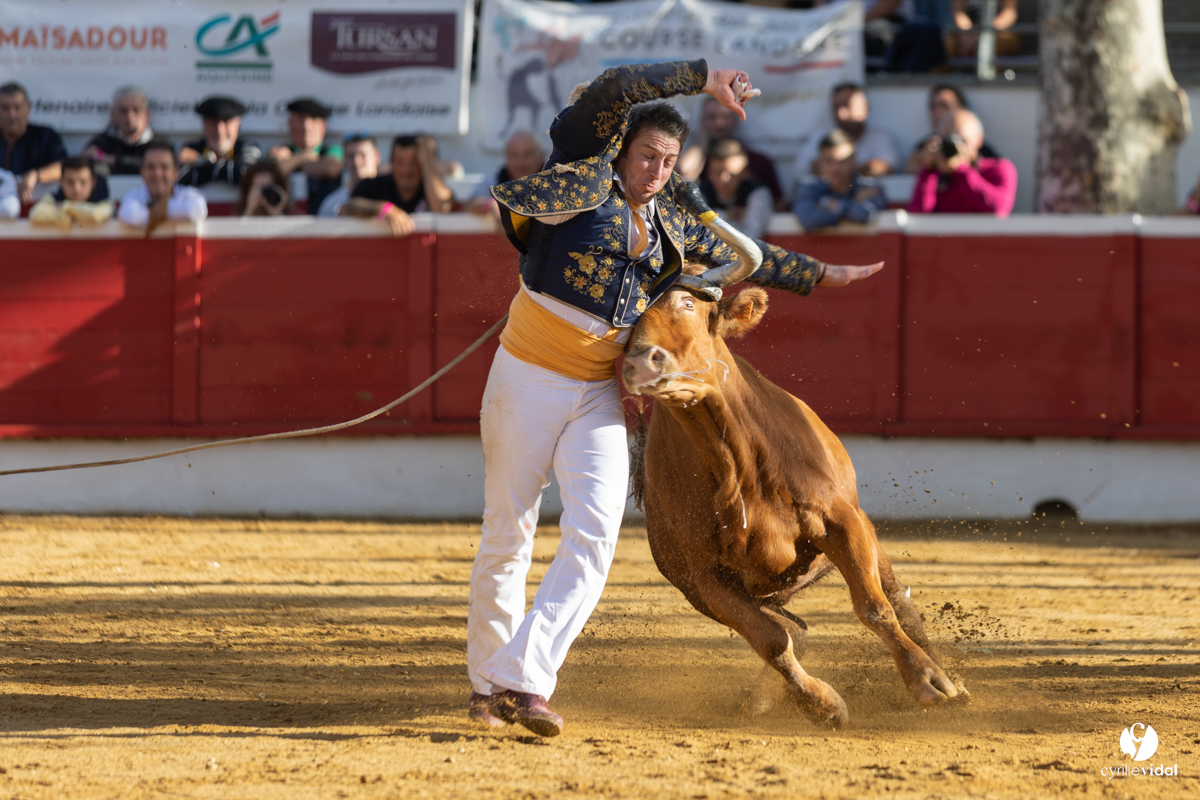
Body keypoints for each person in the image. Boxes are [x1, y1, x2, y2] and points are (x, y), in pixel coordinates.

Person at [472, 60, 882, 737]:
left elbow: (746, 254)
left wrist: (819, 274)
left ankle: (522, 683)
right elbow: (612, 90)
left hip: (600, 386)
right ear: (622, 149)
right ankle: (487, 682)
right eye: (647, 156)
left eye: (669, 161)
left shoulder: (669, 223)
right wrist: (701, 77)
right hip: (527, 377)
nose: (656, 171)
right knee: (508, 533)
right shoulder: (583, 165)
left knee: (596, 535)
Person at [677, 96, 785, 210]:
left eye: (726, 116)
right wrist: (701, 142)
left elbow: (779, 204)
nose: (719, 123)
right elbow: (684, 171)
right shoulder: (697, 162)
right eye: (711, 117)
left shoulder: (760, 162)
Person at [907, 108, 1016, 217]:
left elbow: (998, 210)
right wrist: (929, 170)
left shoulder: (998, 168)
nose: (954, 147)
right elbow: (918, 218)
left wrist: (961, 169)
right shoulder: (935, 174)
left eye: (961, 140)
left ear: (979, 140)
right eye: (947, 140)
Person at [340, 134, 453, 237]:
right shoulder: (372, 185)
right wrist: (384, 209)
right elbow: (345, 209)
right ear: (391, 162)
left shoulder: (431, 187)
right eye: (400, 162)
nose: (406, 170)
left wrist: (427, 163)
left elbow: (443, 208)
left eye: (413, 163)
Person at [795, 83, 899, 178]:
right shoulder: (820, 136)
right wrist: (857, 168)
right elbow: (804, 166)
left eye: (847, 106)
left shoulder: (880, 137)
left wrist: (834, 169)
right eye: (836, 108)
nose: (841, 115)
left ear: (866, 108)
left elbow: (886, 166)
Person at [793, 130, 887, 230]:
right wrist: (851, 203)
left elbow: (863, 214)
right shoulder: (810, 190)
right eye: (829, 161)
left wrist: (828, 204)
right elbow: (807, 219)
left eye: (842, 161)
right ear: (820, 163)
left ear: (853, 160)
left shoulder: (871, 188)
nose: (835, 168)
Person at [267, 98, 343, 214]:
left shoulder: (333, 150)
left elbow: (330, 168)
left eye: (313, 119)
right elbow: (272, 171)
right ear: (290, 123)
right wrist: (305, 156)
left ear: (324, 125)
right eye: (300, 119)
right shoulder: (280, 150)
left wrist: (291, 163)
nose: (306, 126)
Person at [905, 85, 1000, 174]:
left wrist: (964, 166)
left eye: (944, 105)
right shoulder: (928, 145)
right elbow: (909, 172)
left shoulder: (981, 148)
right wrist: (928, 165)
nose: (938, 111)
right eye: (933, 107)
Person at [0, 82, 68, 205]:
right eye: (5, 108)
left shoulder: (45, 136)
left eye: (17, 107)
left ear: (28, 109)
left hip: (39, 213)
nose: (12, 114)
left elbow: (64, 167)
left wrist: (35, 175)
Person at [118, 141, 208, 230]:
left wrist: (155, 212)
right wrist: (168, 211)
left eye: (164, 167)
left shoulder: (189, 194)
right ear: (142, 172)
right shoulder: (133, 195)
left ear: (176, 172)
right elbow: (130, 217)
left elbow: (194, 211)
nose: (157, 173)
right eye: (151, 167)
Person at [178, 96, 262, 188]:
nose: (220, 131)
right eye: (213, 122)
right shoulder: (191, 148)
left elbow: (245, 174)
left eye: (226, 121)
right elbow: (180, 178)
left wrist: (201, 161)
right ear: (203, 123)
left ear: (238, 122)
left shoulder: (249, 147)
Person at [699, 138, 773, 239]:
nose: (724, 180)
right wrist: (729, 215)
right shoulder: (699, 193)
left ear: (745, 172)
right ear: (708, 172)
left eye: (732, 174)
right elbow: (700, 234)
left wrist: (716, 218)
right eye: (717, 173)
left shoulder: (757, 192)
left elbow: (752, 237)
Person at [465, 131, 546, 218]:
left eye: (528, 154)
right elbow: (469, 205)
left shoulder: (556, 182)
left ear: (541, 156)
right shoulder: (493, 182)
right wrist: (490, 205)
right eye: (514, 155)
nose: (521, 162)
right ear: (506, 157)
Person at [83, 86, 155, 175]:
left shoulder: (158, 145)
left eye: (136, 110)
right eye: (123, 111)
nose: (130, 117)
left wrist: (110, 159)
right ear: (113, 116)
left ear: (147, 115)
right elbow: (86, 164)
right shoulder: (101, 142)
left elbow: (154, 166)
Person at [30, 156, 113, 230]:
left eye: (83, 182)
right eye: (70, 182)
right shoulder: (54, 197)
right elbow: (35, 214)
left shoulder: (102, 196)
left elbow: (96, 215)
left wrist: (66, 207)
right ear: (61, 182)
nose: (77, 189)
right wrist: (79, 213)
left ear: (94, 182)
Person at [317, 132, 381, 218]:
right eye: (351, 156)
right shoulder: (331, 204)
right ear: (344, 160)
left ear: (376, 157)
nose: (356, 162)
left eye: (363, 155)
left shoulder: (390, 196)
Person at [947, 0, 1019, 59]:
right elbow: (959, 12)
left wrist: (984, 34)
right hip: (968, 30)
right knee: (945, 47)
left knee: (991, 47)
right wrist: (967, 33)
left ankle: (992, 75)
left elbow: (1009, 13)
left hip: (998, 30)